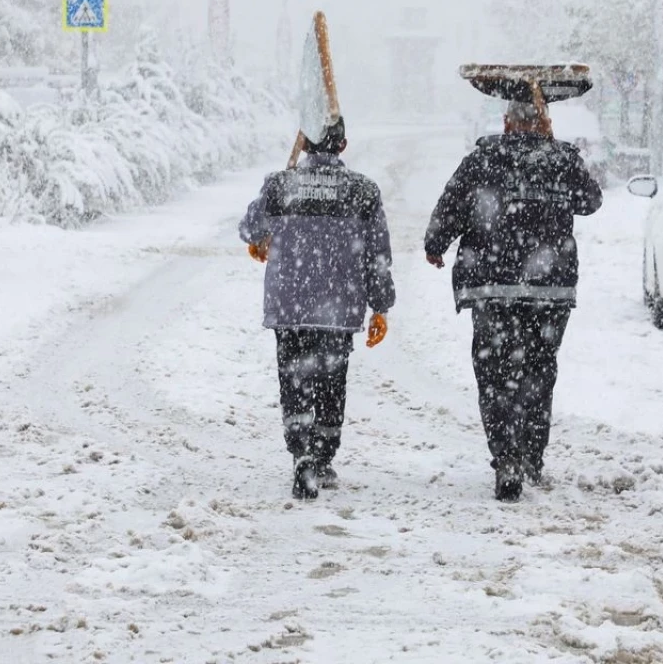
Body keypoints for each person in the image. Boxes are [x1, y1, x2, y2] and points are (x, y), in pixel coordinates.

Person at [423, 100, 602, 502]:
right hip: (549, 290)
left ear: (506, 122)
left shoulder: (483, 160)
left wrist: (435, 244)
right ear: (545, 123)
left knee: (494, 374)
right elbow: (591, 201)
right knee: (539, 370)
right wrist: (556, 150)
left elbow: (451, 205)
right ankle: (531, 455)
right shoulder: (562, 159)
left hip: (492, 286)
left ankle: (506, 455)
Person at [240, 117, 396, 500]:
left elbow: (248, 227)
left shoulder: (281, 183)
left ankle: (301, 454)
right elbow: (377, 254)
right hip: (338, 308)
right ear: (343, 145)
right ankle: (323, 456)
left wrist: (271, 210)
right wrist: (380, 306)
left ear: (304, 143)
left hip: (290, 304)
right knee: (331, 381)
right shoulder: (363, 190)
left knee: (294, 380)